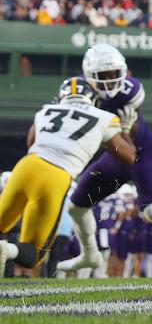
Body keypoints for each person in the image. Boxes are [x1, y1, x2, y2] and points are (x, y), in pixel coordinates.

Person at [57, 45, 152, 278]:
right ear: (89, 75)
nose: (110, 81)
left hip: (141, 152)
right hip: (115, 155)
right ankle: (90, 254)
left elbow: (126, 141)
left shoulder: (130, 90)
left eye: (114, 74)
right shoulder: (79, 89)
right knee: (76, 206)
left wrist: (122, 129)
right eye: (103, 76)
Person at [0, 79, 135, 273]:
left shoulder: (46, 111)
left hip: (26, 166)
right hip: (56, 176)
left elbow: (31, 142)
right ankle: (6, 249)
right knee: (33, 254)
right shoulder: (103, 117)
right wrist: (126, 131)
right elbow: (129, 157)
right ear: (92, 98)